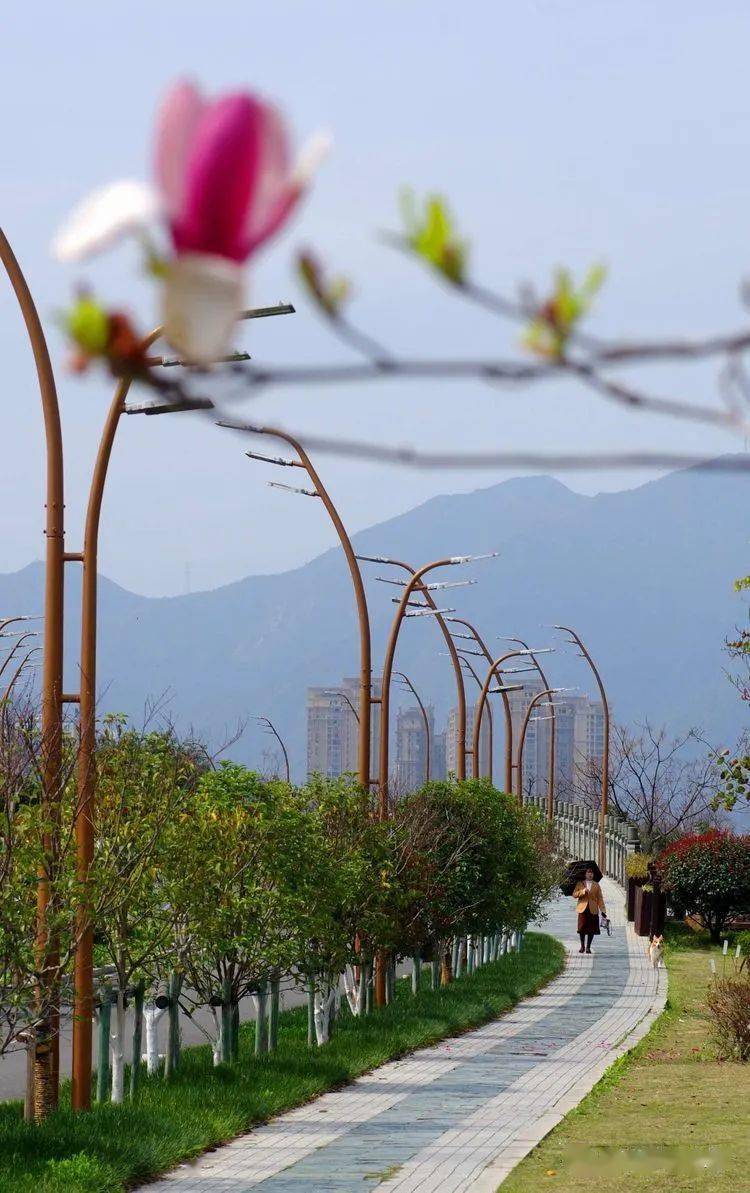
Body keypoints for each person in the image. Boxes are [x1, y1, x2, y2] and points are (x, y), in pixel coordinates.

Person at [572, 867, 606, 954]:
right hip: (582, 909)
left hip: (593, 909)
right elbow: (574, 894)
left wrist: (603, 910)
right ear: (585, 874)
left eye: (591, 873)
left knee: (592, 929)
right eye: (588, 872)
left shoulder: (596, 885)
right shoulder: (580, 884)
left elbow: (600, 898)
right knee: (582, 928)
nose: (590, 874)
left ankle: (588, 947)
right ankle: (582, 946)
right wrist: (583, 891)